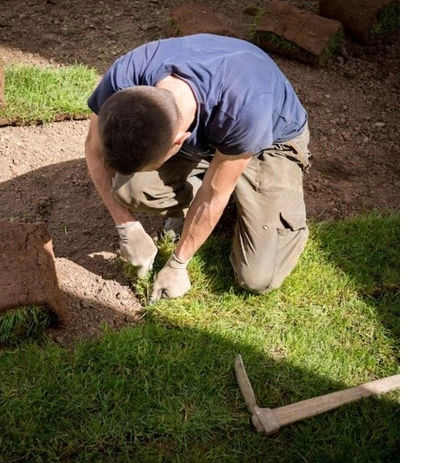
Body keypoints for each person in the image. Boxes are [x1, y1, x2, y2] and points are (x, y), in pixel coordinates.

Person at [84, 33, 311, 302]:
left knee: (258, 277)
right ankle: (215, 178)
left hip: (271, 140)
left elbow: (214, 193)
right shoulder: (125, 76)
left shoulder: (243, 106)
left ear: (179, 142)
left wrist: (178, 264)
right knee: (130, 189)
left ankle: (248, 198)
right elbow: (93, 149)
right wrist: (126, 225)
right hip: (214, 134)